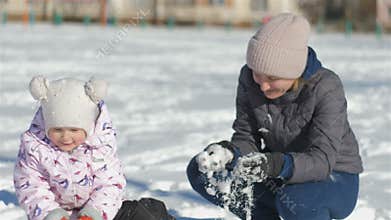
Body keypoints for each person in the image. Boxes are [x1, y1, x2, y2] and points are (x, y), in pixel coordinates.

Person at [187, 13, 363, 220]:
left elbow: (322, 160)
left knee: (295, 201)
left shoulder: (326, 87)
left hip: (333, 178)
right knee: (201, 171)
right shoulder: (248, 78)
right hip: (276, 172)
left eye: (272, 77)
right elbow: (246, 136)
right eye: (257, 73)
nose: (263, 85)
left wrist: (276, 164)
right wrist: (230, 153)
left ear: (295, 71)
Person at [14, 76, 126, 220]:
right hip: (57, 212)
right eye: (58, 130)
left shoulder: (100, 148)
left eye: (74, 130)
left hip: (97, 211)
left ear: (88, 127)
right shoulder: (36, 149)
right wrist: (50, 213)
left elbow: (110, 184)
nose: (66, 137)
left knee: (140, 213)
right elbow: (30, 186)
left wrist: (94, 213)